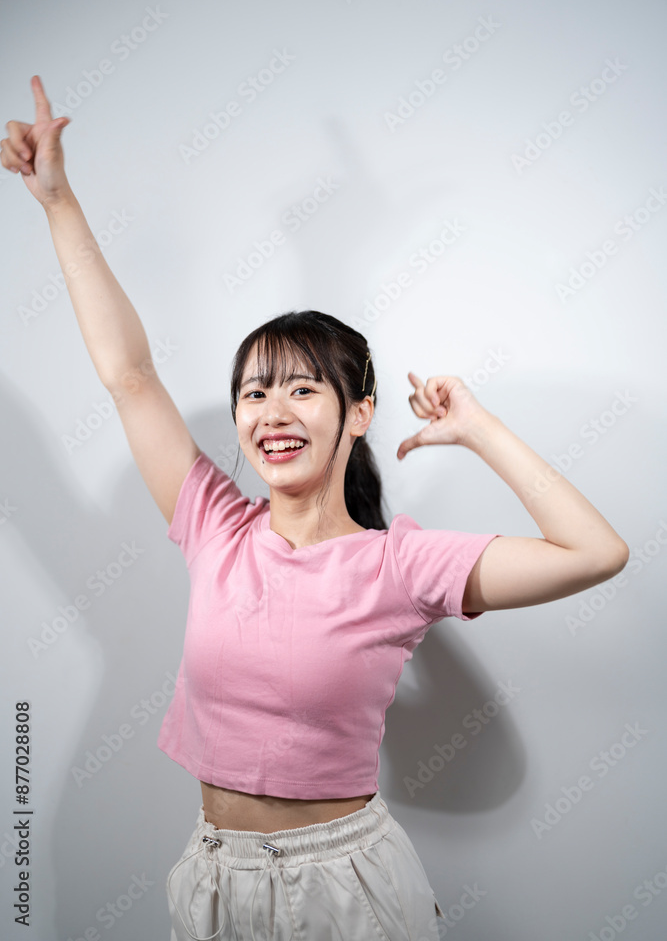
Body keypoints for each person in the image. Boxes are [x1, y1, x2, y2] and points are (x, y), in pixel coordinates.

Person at [2, 76, 629, 941]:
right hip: (212, 877)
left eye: (302, 389)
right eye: (255, 392)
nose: (272, 411)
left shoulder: (399, 565)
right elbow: (130, 375)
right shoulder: (215, 526)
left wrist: (478, 429)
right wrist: (58, 201)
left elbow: (594, 552)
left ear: (358, 414)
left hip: (344, 888)